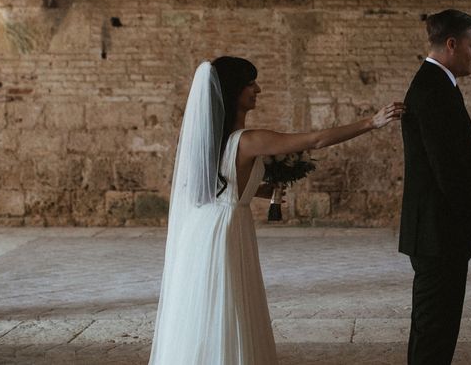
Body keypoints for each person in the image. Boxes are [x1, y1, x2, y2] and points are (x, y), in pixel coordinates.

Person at [149, 56, 404, 365]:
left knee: (209, 304)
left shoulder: (212, 141)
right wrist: (371, 122)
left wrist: (262, 189)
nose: (258, 88)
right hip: (227, 228)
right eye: (250, 83)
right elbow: (316, 139)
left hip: (205, 227)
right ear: (233, 91)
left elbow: (218, 186)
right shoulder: (248, 140)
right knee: (230, 303)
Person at [399, 9, 471, 364]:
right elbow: (449, 170)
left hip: (437, 231)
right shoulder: (433, 89)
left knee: (434, 330)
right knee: (434, 334)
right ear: (452, 44)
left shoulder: (436, 84)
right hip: (439, 233)